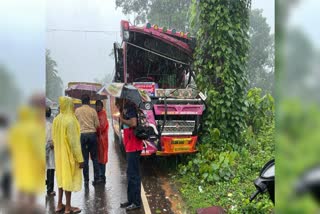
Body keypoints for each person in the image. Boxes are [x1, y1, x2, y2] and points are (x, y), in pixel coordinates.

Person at [52, 96, 84, 214]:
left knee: (61, 179)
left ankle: (59, 204)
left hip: (59, 155)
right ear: (68, 105)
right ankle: (68, 207)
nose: (74, 107)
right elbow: (74, 142)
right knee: (68, 179)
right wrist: (80, 159)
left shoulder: (57, 119)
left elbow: (54, 138)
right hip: (68, 155)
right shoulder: (70, 120)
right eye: (72, 105)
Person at [119, 99, 143, 211]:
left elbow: (133, 123)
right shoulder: (126, 108)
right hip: (130, 146)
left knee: (134, 176)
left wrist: (122, 120)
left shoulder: (131, 108)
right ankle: (130, 200)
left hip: (134, 146)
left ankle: (136, 202)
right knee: (130, 174)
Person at [75, 94, 100, 186]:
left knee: (85, 159)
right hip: (92, 135)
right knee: (95, 158)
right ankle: (96, 179)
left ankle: (86, 180)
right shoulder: (93, 111)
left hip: (82, 136)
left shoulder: (77, 111)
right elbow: (97, 125)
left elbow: (75, 124)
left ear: (82, 102)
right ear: (89, 102)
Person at [95, 100, 109, 184]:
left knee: (102, 159)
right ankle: (100, 176)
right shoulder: (98, 113)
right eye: (96, 106)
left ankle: (102, 177)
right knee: (99, 158)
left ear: (102, 106)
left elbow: (102, 127)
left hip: (102, 140)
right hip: (99, 140)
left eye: (99, 106)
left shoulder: (102, 114)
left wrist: (95, 129)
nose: (97, 107)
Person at [46, 107, 55, 196]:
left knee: (50, 167)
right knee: (50, 167)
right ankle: (49, 188)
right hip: (49, 146)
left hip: (50, 146)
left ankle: (49, 188)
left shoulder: (53, 121)